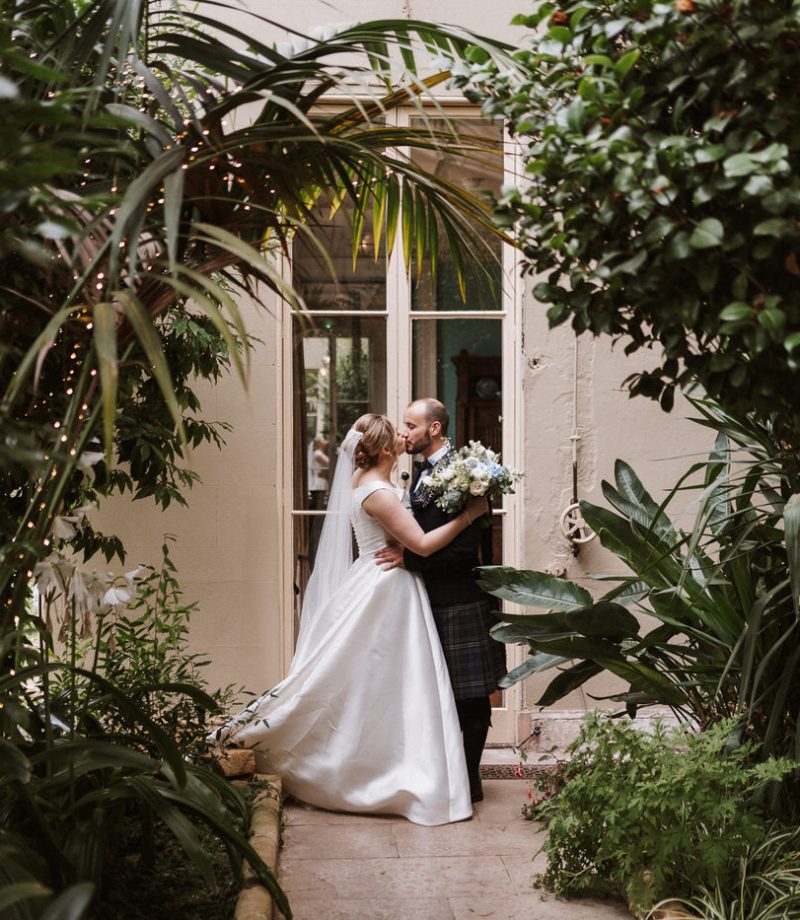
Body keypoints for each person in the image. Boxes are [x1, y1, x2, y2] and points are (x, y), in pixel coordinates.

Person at [210, 413, 488, 826]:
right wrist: (469, 515)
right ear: (386, 449)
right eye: (397, 434)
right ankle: (374, 771)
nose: (403, 437)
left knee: (380, 686)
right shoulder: (380, 493)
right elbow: (424, 545)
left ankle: (387, 760)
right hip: (388, 587)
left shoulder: (371, 485)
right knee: (381, 683)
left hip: (382, 580)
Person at [374, 398, 506, 803]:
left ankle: (469, 780)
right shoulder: (420, 472)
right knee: (436, 692)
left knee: (470, 695)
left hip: (459, 597)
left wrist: (410, 556)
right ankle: (447, 774)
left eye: (411, 426)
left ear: (434, 429)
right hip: (425, 596)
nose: (404, 432)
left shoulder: (463, 473)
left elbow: (466, 550)